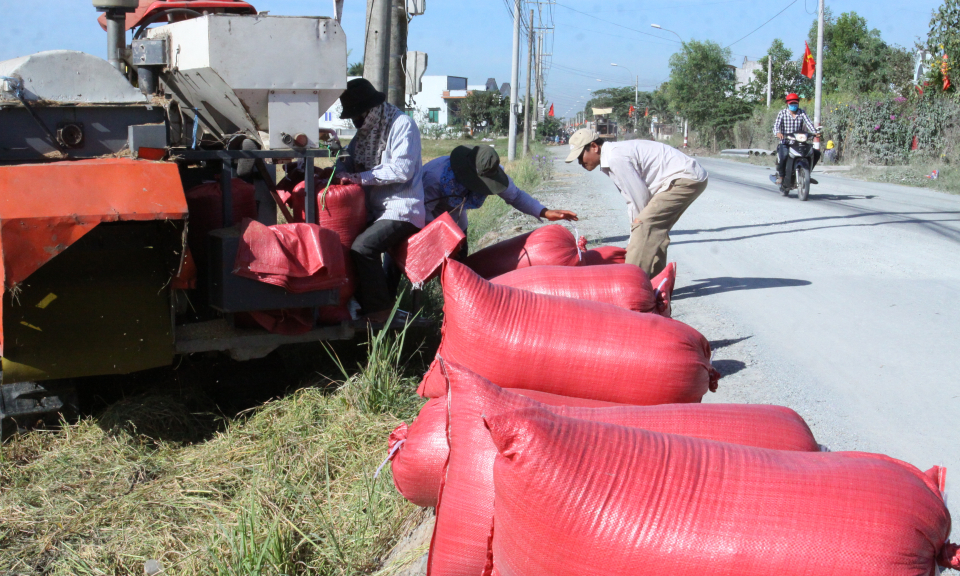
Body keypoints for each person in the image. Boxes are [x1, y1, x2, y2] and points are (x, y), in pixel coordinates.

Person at [334, 78, 425, 324]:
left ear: (372, 109)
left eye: (358, 116)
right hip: (377, 211)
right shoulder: (365, 133)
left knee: (363, 248)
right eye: (353, 119)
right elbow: (349, 161)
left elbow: (402, 169)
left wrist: (360, 178)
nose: (356, 123)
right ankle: (363, 304)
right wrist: (338, 162)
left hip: (403, 209)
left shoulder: (402, 124)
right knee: (343, 246)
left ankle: (380, 313)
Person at [565, 128, 707, 278]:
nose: (580, 162)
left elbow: (640, 200)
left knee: (645, 226)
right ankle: (655, 285)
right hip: (686, 177)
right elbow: (633, 201)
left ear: (594, 147)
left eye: (580, 156)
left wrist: (635, 238)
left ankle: (631, 286)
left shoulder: (615, 158)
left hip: (684, 179)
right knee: (652, 230)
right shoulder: (612, 156)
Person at [421, 145, 577, 237]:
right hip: (426, 222)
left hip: (456, 221)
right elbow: (422, 213)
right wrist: (438, 239)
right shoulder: (434, 177)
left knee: (461, 265)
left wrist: (544, 212)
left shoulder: (491, 171)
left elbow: (516, 196)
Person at [773, 93, 818, 185]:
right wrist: (777, 133)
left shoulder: (802, 112)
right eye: (791, 103)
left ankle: (807, 174)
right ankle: (781, 176)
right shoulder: (782, 113)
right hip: (786, 142)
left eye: (795, 103)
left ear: (798, 103)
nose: (793, 105)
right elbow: (776, 126)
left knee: (815, 153)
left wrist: (815, 132)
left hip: (799, 141)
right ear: (787, 103)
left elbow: (809, 123)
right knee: (784, 155)